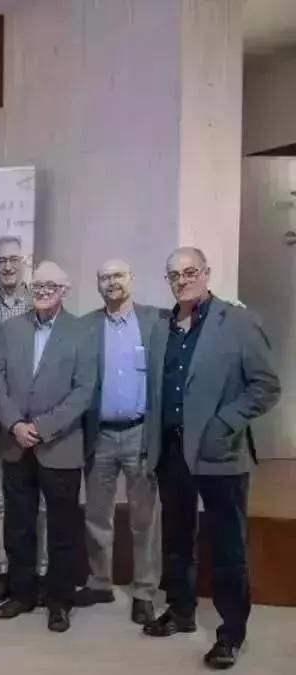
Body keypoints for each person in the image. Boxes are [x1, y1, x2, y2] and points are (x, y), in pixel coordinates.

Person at [142, 247, 280, 670]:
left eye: (189, 272)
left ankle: (231, 632)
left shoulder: (238, 321)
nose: (181, 280)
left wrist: (224, 423)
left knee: (226, 545)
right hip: (171, 451)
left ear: (206, 273)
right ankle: (181, 610)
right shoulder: (162, 327)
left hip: (220, 450)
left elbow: (265, 386)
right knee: (177, 538)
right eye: (173, 275)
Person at [0, 261, 96, 633]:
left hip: (61, 445)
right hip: (16, 443)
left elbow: (84, 390)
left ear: (64, 290)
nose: (44, 291)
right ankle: (21, 593)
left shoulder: (82, 331)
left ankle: (59, 600)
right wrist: (16, 425)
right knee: (18, 525)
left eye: (52, 285)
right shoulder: (10, 328)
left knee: (62, 528)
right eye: (37, 286)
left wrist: (43, 426)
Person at [75, 259, 164, 625]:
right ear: (97, 285)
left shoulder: (156, 321)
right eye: (104, 277)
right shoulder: (86, 327)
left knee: (144, 516)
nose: (111, 282)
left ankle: (144, 590)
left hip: (142, 432)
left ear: (132, 279)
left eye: (118, 275)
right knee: (97, 514)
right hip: (100, 434)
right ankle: (99, 581)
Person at [0, 234, 47, 605]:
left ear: (25, 262)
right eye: (0, 260)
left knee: (38, 502)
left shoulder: (39, 298)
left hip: (40, 421)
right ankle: (6, 570)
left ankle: (38, 571)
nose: (7, 266)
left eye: (13, 259)